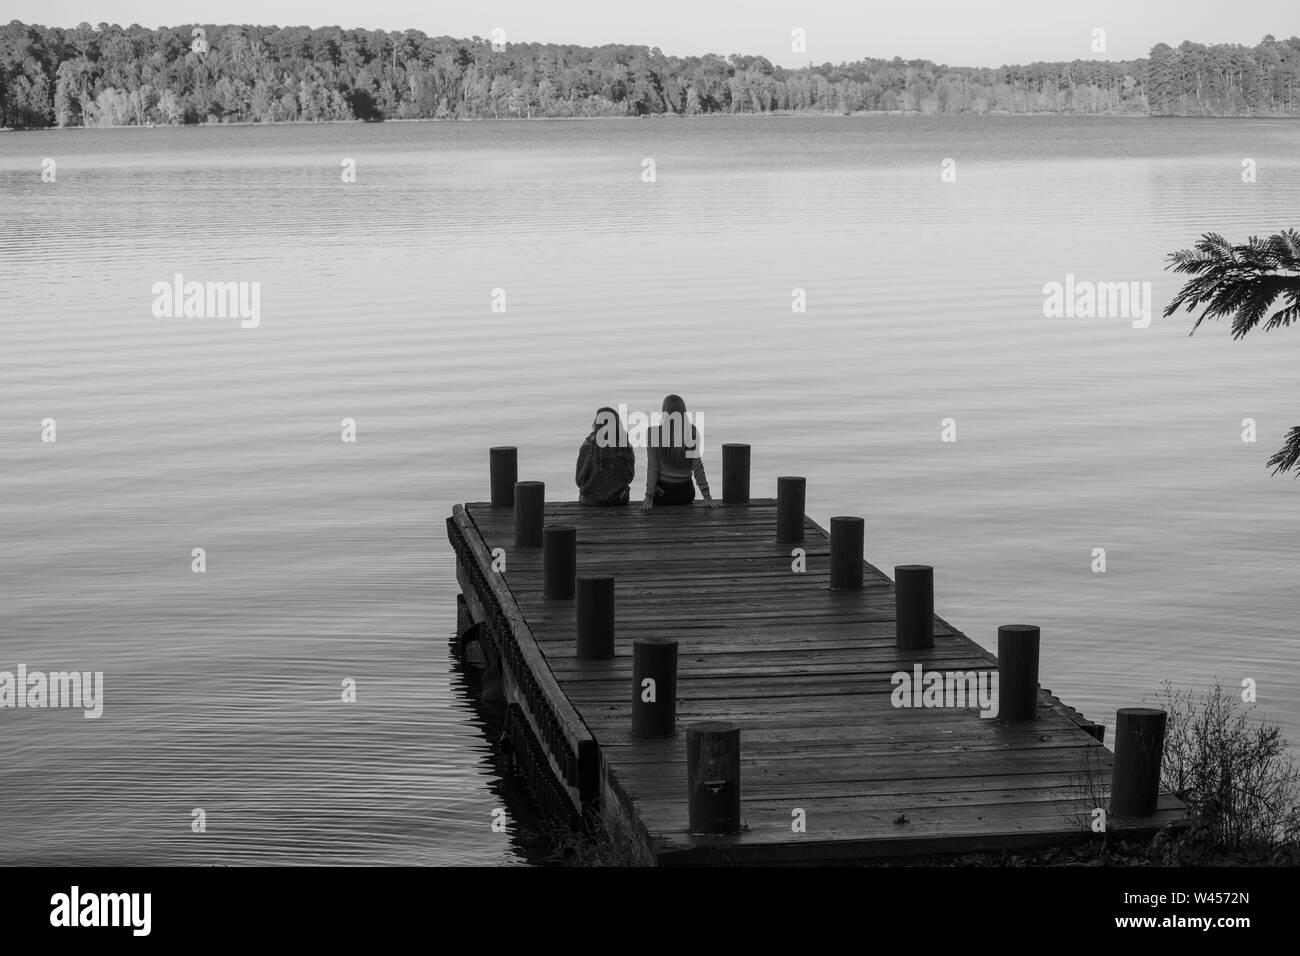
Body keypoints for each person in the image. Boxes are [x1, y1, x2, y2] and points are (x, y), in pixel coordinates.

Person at [640, 394, 721, 511]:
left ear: (664, 411)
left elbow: (653, 468)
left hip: (663, 494)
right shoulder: (692, 431)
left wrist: (649, 496)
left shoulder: (652, 433)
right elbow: (697, 466)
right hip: (685, 494)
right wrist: (707, 496)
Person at [576, 406, 635, 505]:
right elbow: (629, 477)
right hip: (619, 499)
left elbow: (579, 480)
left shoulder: (588, 446)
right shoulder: (623, 445)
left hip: (591, 500)